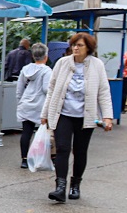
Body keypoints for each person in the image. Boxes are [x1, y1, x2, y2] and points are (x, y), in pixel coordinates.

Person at [41, 32, 113, 203]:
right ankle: (60, 187)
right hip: (62, 114)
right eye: (73, 45)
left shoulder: (97, 65)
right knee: (62, 149)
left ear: (88, 48)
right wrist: (44, 114)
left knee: (80, 152)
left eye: (79, 45)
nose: (75, 48)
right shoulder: (62, 63)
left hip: (85, 116)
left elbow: (104, 91)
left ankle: (75, 185)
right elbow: (51, 89)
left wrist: (108, 116)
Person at [16, 43, 52, 168]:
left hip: (26, 103)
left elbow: (19, 88)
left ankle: (24, 159)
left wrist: (20, 100)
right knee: (44, 132)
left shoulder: (26, 69)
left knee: (26, 132)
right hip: (40, 104)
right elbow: (46, 89)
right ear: (46, 56)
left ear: (32, 56)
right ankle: (41, 157)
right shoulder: (47, 70)